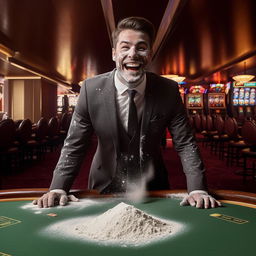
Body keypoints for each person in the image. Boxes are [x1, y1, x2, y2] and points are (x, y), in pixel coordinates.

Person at [33, 16, 221, 209]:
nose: (133, 54)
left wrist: (197, 189)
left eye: (141, 47)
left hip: (153, 187)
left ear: (150, 54)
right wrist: (58, 187)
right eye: (125, 47)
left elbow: (185, 143)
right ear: (114, 53)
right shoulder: (90, 89)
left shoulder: (169, 90)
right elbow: (74, 144)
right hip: (103, 185)